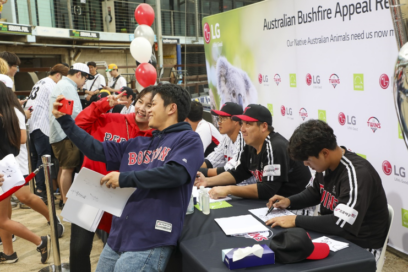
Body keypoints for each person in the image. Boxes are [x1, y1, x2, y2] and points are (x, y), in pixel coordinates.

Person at [52, 84, 203, 271]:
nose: (147, 110)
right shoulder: (139, 142)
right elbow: (95, 149)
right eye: (143, 104)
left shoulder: (188, 139)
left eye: (153, 104)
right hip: (118, 238)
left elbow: (176, 173)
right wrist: (65, 120)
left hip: (149, 239)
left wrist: (124, 178)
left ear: (171, 108)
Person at [265, 120, 388, 262]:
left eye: (308, 160)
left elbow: (341, 224)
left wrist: (296, 220)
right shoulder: (325, 166)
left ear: (325, 153)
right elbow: (314, 192)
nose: (305, 164)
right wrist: (289, 201)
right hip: (333, 235)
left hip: (361, 245)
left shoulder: (357, 174)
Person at [69, 87, 154, 272]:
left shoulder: (153, 137)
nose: (143, 109)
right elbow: (78, 124)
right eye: (140, 102)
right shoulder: (110, 119)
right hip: (89, 190)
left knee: (113, 249)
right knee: (78, 249)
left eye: (150, 105)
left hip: (122, 198)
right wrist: (104, 104)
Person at [195, 104, 313, 214]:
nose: (242, 129)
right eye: (242, 123)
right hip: (275, 204)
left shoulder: (275, 146)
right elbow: (238, 173)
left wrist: (228, 189)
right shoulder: (252, 145)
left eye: (248, 124)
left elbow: (267, 189)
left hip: (296, 207)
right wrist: (208, 181)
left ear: (264, 126)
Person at [0, 82, 51, 264]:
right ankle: (9, 253)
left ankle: (40, 241)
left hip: (3, 170)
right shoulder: (9, 115)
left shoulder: (8, 115)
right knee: (3, 218)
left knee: (3, 220)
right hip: (8, 165)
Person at [49, 63, 92, 207]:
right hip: (65, 134)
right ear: (79, 74)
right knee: (68, 168)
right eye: (85, 78)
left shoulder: (63, 84)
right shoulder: (67, 86)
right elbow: (74, 113)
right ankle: (67, 202)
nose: (85, 82)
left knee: (64, 167)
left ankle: (64, 199)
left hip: (60, 133)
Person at [26, 64, 69, 199]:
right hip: (41, 124)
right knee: (43, 158)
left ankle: (40, 189)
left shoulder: (41, 81)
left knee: (37, 157)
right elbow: (59, 104)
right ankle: (41, 190)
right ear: (58, 75)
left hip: (33, 123)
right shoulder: (51, 85)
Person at [199, 102, 256, 186]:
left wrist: (198, 171)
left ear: (236, 121)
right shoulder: (226, 138)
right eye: (219, 119)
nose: (219, 122)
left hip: (247, 188)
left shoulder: (244, 138)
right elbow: (211, 160)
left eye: (223, 118)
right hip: (233, 186)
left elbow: (231, 170)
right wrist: (191, 167)